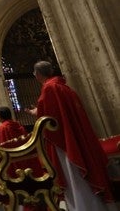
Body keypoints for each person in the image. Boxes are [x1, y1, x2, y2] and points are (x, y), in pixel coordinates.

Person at [26, 61, 114, 210]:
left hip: (64, 142)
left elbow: (49, 118)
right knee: (81, 172)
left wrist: (36, 112)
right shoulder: (64, 87)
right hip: (74, 137)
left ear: (39, 74)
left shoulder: (49, 88)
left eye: (35, 73)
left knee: (73, 175)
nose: (34, 76)